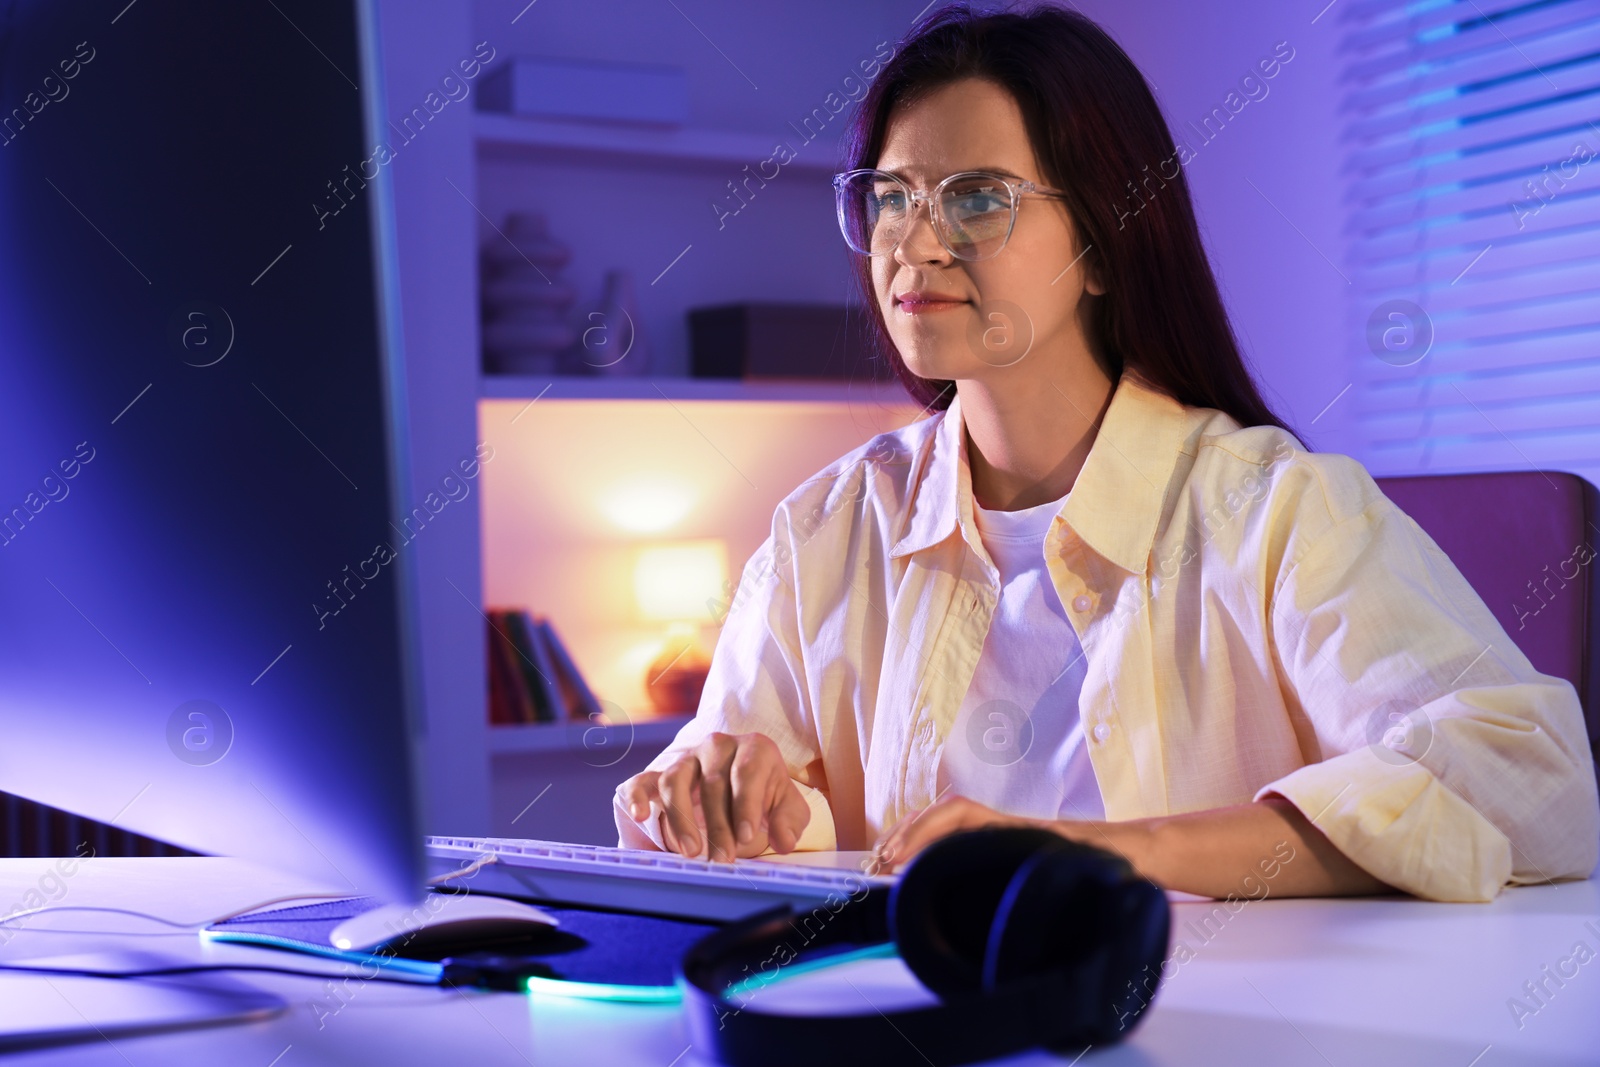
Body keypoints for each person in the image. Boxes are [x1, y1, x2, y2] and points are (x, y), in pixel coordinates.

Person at [614, 3, 1599, 902]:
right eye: (890, 197)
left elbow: (1531, 779)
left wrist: (1104, 849)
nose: (914, 243)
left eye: (975, 198)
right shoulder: (826, 529)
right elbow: (752, 807)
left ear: (1100, 239)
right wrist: (723, 798)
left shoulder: (1275, 508)